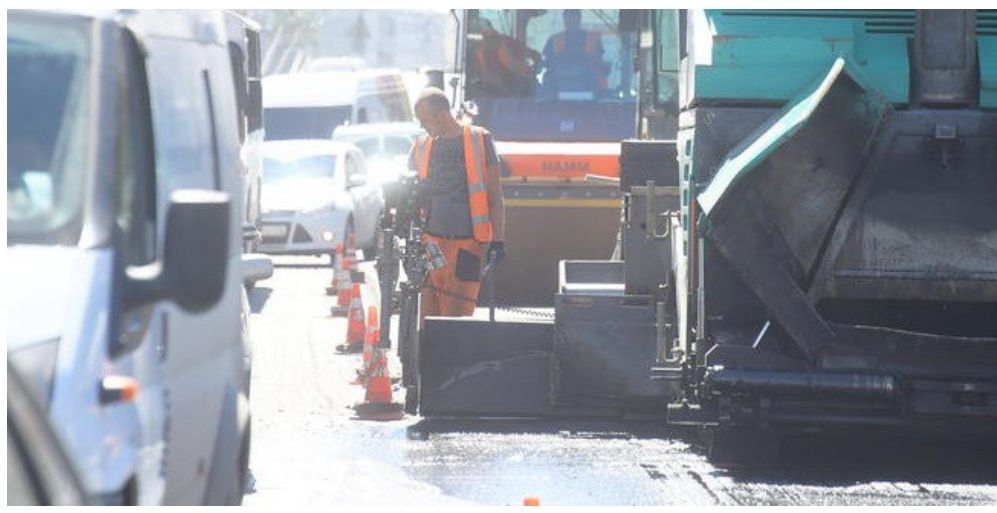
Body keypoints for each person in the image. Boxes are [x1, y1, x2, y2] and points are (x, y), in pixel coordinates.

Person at [409, 88, 506, 317]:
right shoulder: (422, 145)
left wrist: (498, 241)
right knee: (428, 317)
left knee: (455, 321)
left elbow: (495, 197)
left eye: (425, 120)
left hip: (467, 246)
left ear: (442, 115)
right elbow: (411, 190)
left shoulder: (480, 139)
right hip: (432, 243)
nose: (422, 126)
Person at [541, 9, 610, 94]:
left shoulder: (593, 39)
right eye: (567, 18)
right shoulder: (554, 40)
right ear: (564, 19)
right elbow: (548, 63)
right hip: (556, 93)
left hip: (592, 91)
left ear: (579, 19)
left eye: (573, 18)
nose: (570, 21)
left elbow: (599, 61)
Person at [472, 18, 541, 97]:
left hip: (514, 89)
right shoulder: (473, 51)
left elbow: (534, 56)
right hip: (490, 92)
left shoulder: (508, 42)